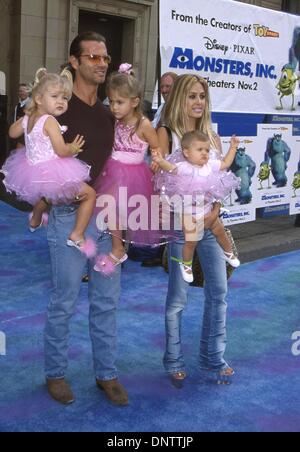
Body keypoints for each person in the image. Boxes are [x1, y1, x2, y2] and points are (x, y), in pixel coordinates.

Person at [44, 31, 128, 406]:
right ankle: (55, 373)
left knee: (107, 299)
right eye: (92, 56)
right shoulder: (58, 108)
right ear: (74, 61)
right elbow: (30, 155)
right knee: (65, 299)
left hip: (105, 220)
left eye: (105, 57)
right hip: (67, 220)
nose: (100, 63)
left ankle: (106, 374)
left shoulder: (111, 113)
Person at [156, 74, 235, 387]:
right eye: (191, 96)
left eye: (202, 95)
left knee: (219, 291)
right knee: (178, 298)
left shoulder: (212, 137)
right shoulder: (167, 134)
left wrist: (214, 211)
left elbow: (218, 184)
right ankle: (173, 360)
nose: (198, 102)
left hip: (211, 221)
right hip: (180, 226)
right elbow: (160, 185)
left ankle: (213, 356)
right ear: (178, 99)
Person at [1, 68, 96, 255]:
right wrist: (73, 148)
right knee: (90, 194)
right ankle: (77, 234)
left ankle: (35, 218)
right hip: (52, 169)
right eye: (55, 96)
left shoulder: (29, 118)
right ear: (38, 99)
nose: (61, 101)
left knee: (48, 195)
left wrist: (26, 116)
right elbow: (61, 151)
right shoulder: (50, 121)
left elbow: (12, 133)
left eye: (65, 98)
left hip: (32, 169)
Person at [93, 63, 162, 275]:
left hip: (133, 174)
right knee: (108, 208)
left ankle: (119, 248)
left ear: (135, 102)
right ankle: (116, 247)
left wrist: (157, 159)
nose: (114, 107)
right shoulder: (115, 120)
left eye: (119, 102)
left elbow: (156, 145)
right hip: (112, 170)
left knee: (122, 212)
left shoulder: (144, 124)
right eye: (111, 101)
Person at [153, 131, 240, 283]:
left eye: (207, 150)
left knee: (220, 232)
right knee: (191, 242)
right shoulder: (184, 167)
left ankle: (228, 252)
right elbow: (170, 168)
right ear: (186, 152)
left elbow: (225, 163)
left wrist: (233, 147)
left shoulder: (210, 165)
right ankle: (186, 265)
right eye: (199, 150)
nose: (205, 153)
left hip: (206, 209)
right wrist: (160, 160)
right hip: (189, 214)